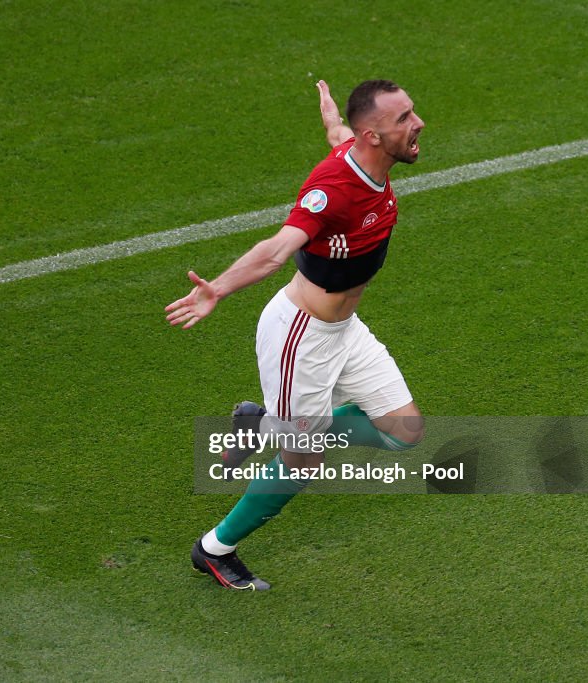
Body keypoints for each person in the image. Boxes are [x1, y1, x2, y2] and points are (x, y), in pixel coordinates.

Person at [166, 80, 426, 590]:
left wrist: (332, 116)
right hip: (300, 339)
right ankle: (215, 549)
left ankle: (261, 425)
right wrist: (216, 288)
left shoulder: (364, 155)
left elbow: (338, 137)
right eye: (404, 118)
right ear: (373, 135)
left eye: (412, 112)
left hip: (345, 330)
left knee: (404, 432)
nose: (417, 123)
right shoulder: (330, 191)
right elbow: (274, 251)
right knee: (304, 460)